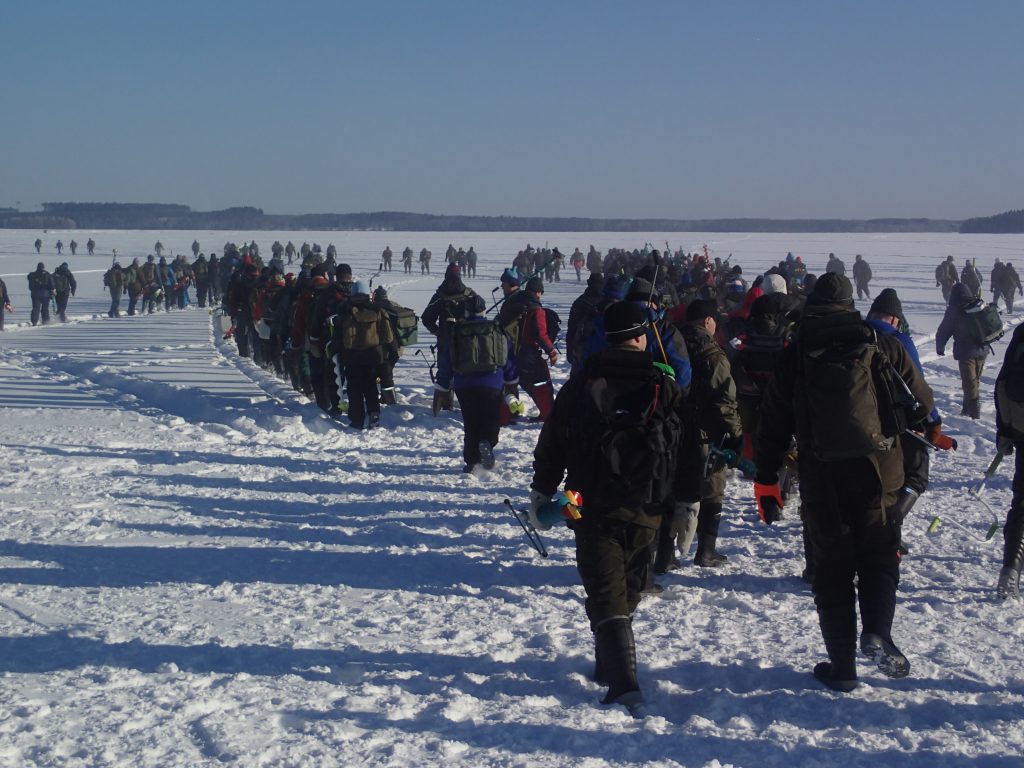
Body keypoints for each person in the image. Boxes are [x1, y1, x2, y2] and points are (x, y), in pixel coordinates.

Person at [754, 273, 934, 693]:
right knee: (879, 553)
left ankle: (843, 667)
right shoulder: (881, 342)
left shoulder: (796, 349)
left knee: (832, 568)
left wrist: (766, 481)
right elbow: (921, 405)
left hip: (821, 473)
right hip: (880, 469)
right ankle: (877, 632)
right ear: (852, 303)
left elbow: (773, 422)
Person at [529, 300, 684, 712]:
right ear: (641, 336)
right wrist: (687, 501)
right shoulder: (662, 381)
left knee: (606, 589)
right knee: (627, 587)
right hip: (648, 504)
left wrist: (542, 490)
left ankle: (622, 680)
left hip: (589, 503)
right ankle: (615, 665)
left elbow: (554, 439)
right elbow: (686, 442)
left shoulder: (583, 382)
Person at [673, 299, 742, 569]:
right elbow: (725, 399)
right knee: (713, 489)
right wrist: (735, 435)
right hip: (704, 433)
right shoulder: (712, 353)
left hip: (670, 429)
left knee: (673, 488)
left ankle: (665, 553)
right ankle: (706, 549)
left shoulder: (671, 344)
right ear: (707, 321)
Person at [452, 295, 518, 471]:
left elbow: (447, 359)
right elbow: (507, 357)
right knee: (490, 419)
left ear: (466, 311)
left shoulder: (458, 331)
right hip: (492, 382)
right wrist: (511, 380)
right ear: (483, 311)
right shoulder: (496, 330)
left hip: (464, 384)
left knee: (471, 422)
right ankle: (487, 442)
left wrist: (442, 384)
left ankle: (471, 461)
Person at [336, 281, 397, 429]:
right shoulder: (377, 311)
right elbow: (388, 337)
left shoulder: (346, 311)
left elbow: (338, 337)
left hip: (352, 357)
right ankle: (374, 414)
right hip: (373, 356)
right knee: (371, 387)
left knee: (354, 388)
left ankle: (356, 419)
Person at [421, 264, 479, 415]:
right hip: (467, 342)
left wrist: (437, 332)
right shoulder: (469, 294)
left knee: (443, 375)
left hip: (445, 340)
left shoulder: (439, 296)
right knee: (466, 373)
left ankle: (438, 410)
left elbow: (426, 318)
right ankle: (468, 408)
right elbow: (480, 310)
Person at [995, 323, 1024, 600]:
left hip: (1021, 429)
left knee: (1022, 505)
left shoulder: (1022, 333)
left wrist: (1004, 430)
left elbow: (1001, 382)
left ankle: (1010, 570)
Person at [936, 282, 989, 419]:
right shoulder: (977, 304)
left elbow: (944, 329)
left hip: (966, 351)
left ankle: (974, 413)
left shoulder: (954, 309)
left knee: (969, 381)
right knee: (974, 379)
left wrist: (940, 346)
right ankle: (968, 409)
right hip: (983, 349)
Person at [515, 277, 559, 421]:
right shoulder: (536, 309)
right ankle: (547, 413)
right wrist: (551, 351)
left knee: (523, 380)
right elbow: (540, 333)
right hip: (529, 351)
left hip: (512, 349)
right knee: (542, 379)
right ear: (538, 292)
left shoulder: (515, 302)